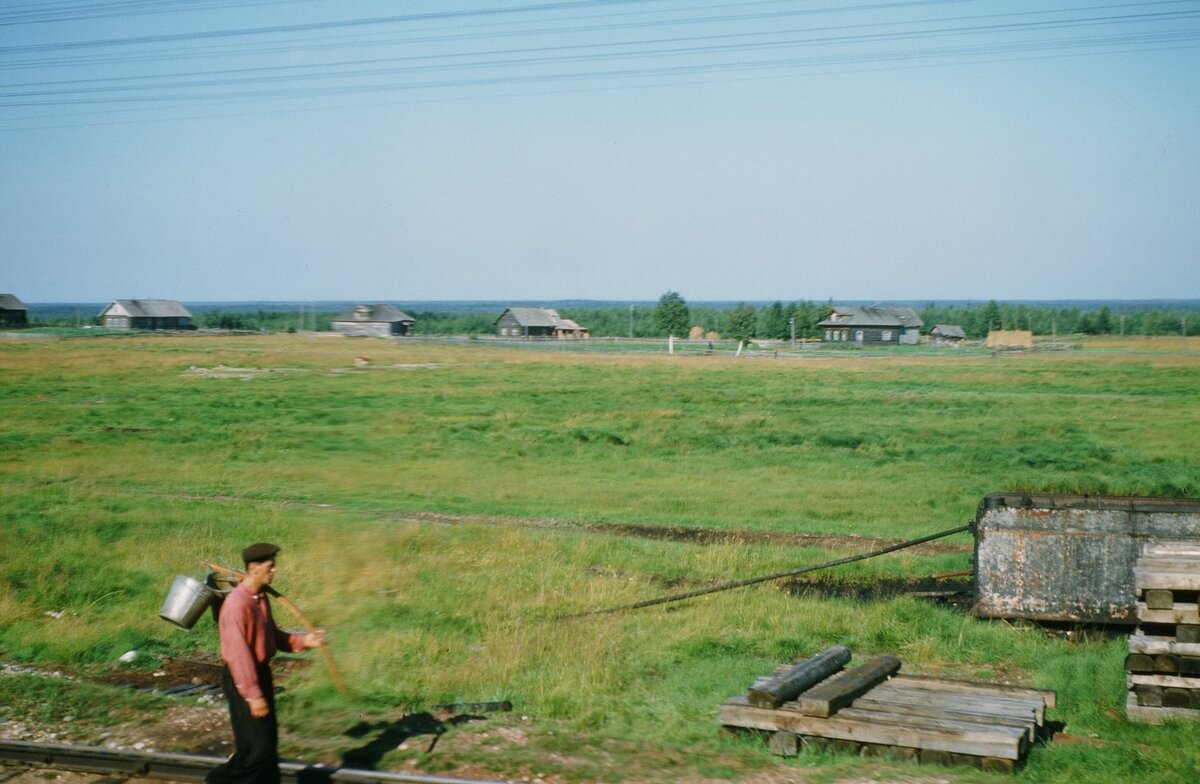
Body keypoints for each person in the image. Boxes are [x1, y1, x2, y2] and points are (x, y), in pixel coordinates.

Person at [206, 543, 324, 784]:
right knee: (256, 751)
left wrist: (305, 641)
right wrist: (253, 695)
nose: (275, 571)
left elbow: (274, 637)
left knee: (266, 747)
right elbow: (239, 656)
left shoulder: (260, 599)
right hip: (243, 681)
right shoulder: (238, 605)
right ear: (254, 568)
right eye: (270, 567)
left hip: (260, 675)